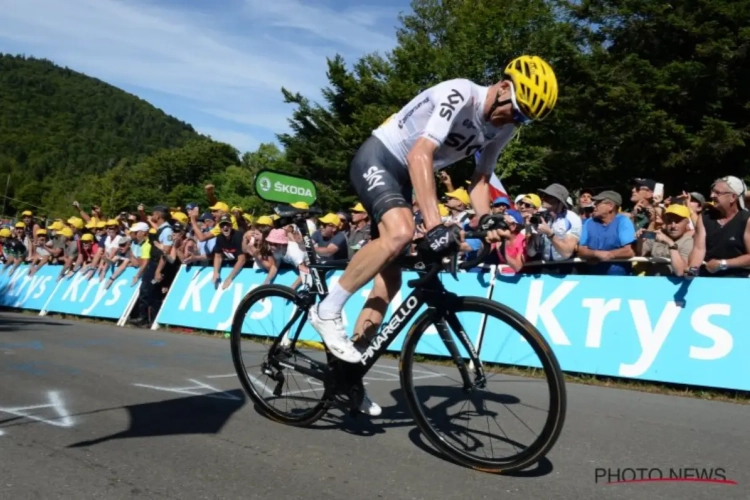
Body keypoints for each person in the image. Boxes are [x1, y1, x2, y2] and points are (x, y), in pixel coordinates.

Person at [308, 55, 559, 416]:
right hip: (380, 159)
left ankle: (349, 374)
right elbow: (420, 154)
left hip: (408, 178)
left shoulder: (504, 127)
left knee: (388, 284)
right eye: (517, 111)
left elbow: (481, 179)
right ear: (504, 87)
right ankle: (327, 310)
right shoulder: (460, 94)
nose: (515, 121)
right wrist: (436, 223)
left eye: (523, 119)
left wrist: (486, 219)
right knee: (402, 232)